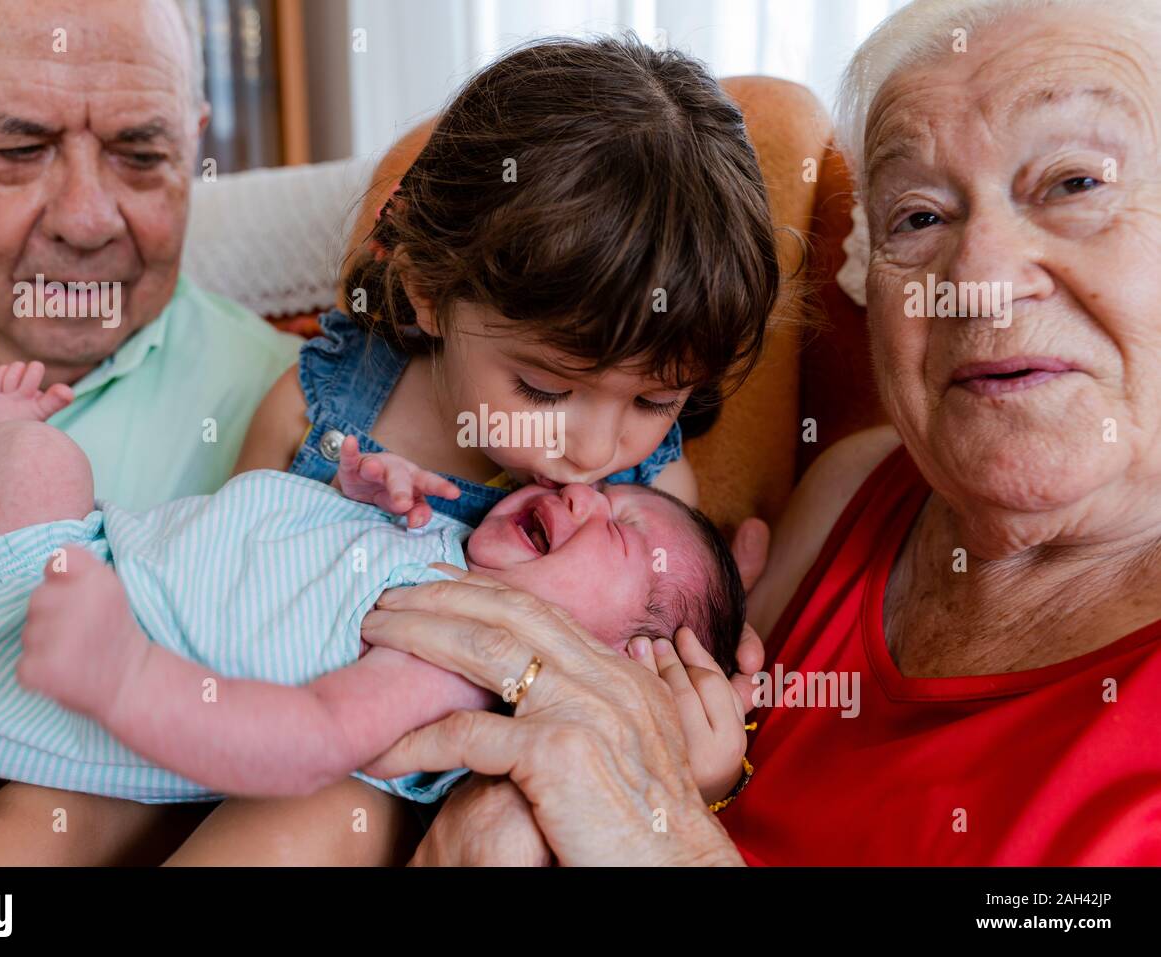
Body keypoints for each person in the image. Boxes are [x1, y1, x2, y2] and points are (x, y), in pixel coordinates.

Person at [372, 0, 1161, 866]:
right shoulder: (852, 493)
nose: (974, 280)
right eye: (919, 217)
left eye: (1074, 183)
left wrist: (658, 840)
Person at [0, 358, 746, 865]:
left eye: (626, 530)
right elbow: (273, 556)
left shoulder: (448, 669)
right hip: (47, 582)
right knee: (37, 458)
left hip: (83, 675)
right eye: (600, 495)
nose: (585, 491)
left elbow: (305, 737)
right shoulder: (438, 534)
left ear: (609, 661)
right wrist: (356, 490)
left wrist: (120, 675)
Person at [0, 0, 301, 863]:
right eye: (20, 150)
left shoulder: (285, 417)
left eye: (143, 154)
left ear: (196, 140)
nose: (87, 217)